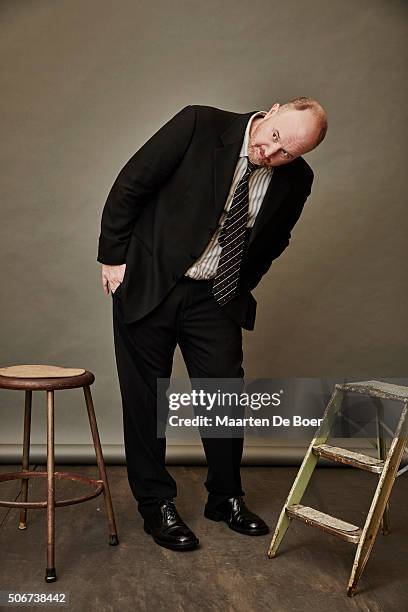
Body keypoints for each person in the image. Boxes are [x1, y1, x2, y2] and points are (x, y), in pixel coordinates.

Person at [97, 97, 328, 551]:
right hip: (151, 282)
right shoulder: (199, 124)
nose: (271, 153)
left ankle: (225, 497)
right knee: (146, 397)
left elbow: (275, 239)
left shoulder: (297, 179)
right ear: (273, 110)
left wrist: (236, 284)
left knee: (223, 394)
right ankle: (155, 505)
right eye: (275, 137)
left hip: (215, 299)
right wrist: (112, 258)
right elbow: (131, 185)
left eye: (288, 153)